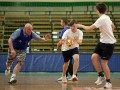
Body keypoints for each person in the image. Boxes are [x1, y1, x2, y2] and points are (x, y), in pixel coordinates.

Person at [76, 2, 116, 89]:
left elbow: (89, 29)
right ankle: (101, 75)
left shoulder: (101, 19)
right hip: (102, 41)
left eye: (96, 9)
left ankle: (108, 82)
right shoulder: (107, 17)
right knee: (94, 57)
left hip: (109, 43)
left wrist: (80, 25)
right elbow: (113, 26)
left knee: (104, 63)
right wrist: (109, 32)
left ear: (97, 10)